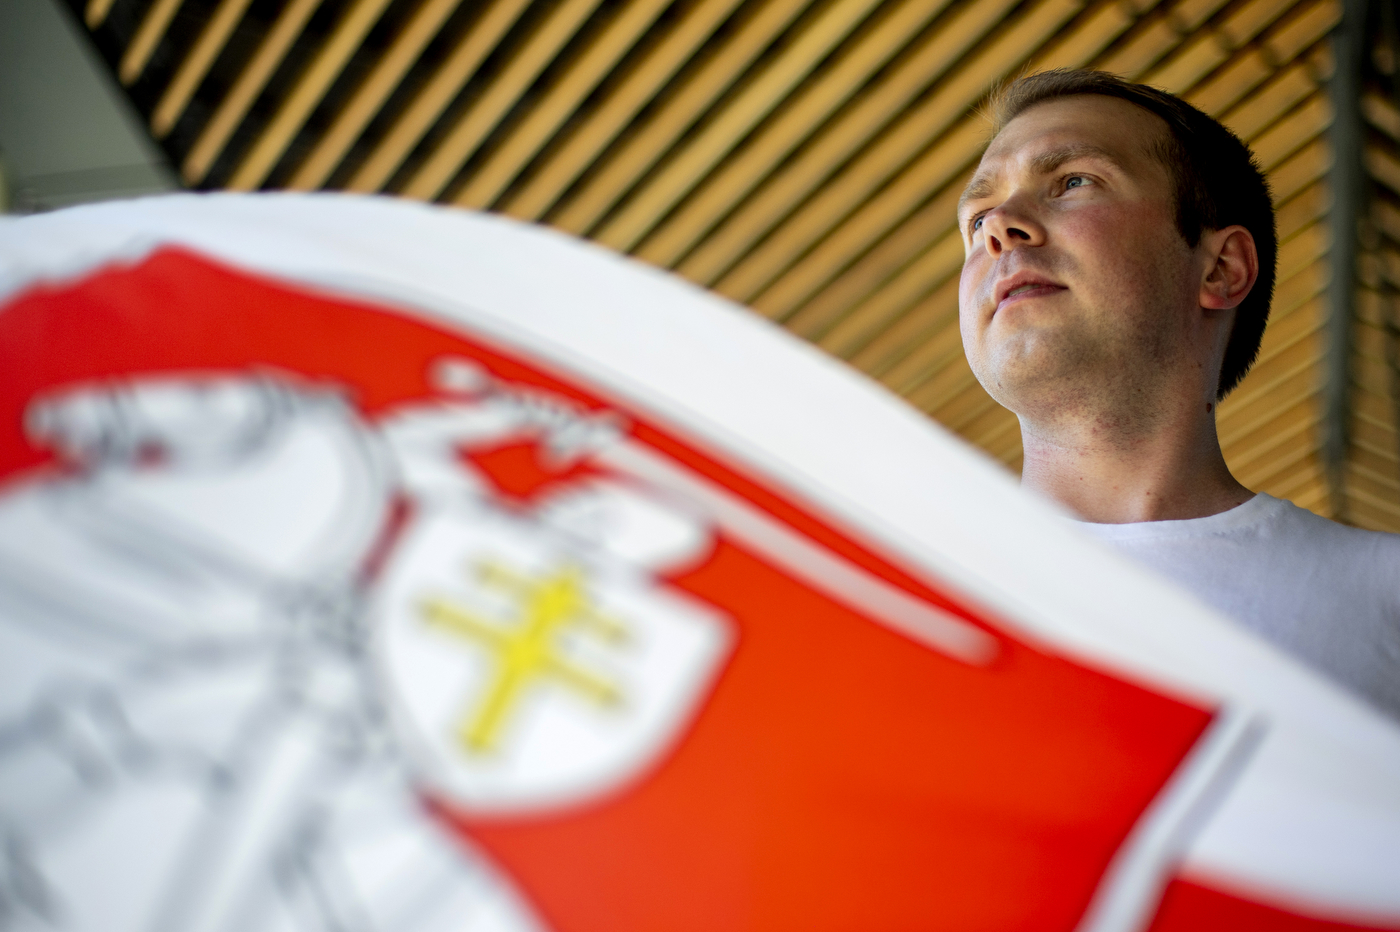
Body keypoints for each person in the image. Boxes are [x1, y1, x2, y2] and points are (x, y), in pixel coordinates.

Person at [956, 69, 1400, 720]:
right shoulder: (881, 598)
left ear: (1221, 269)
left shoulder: (1383, 600)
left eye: (1074, 181)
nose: (999, 227)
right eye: (975, 219)